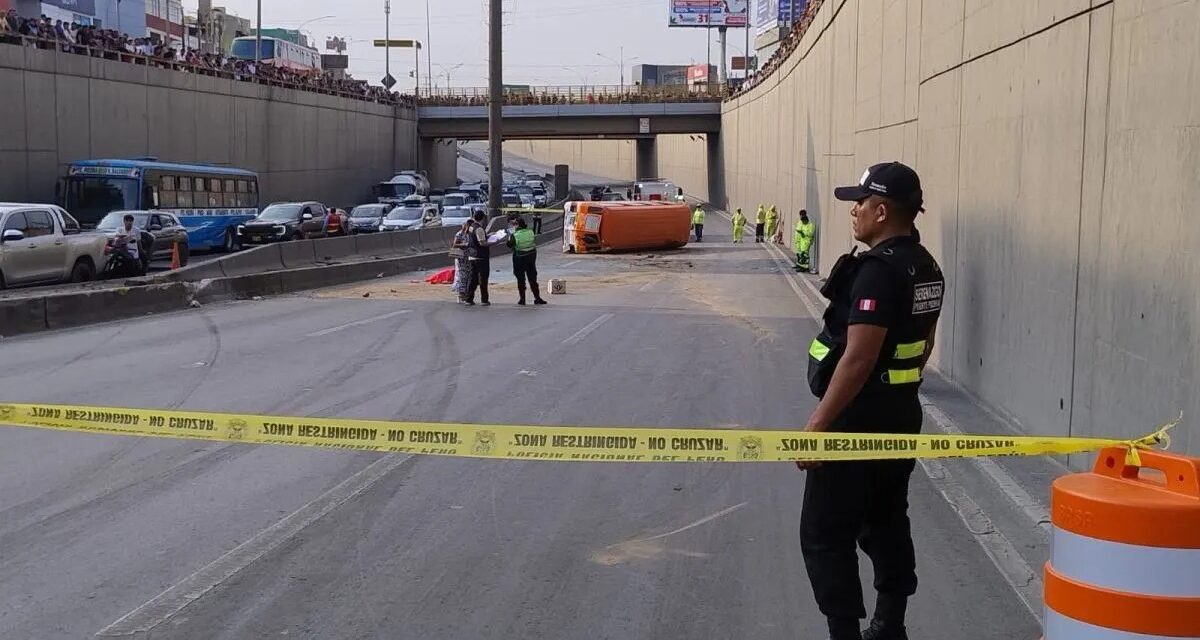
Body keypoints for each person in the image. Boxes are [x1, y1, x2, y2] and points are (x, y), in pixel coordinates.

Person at [799, 162, 944, 640]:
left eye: (859, 204)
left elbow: (857, 359)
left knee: (825, 533)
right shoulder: (925, 266)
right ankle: (889, 623)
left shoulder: (877, 274)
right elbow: (922, 347)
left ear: (881, 212)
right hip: (900, 416)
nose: (854, 212)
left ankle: (846, 632)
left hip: (855, 423)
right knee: (885, 519)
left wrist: (820, 425)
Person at [506, 216, 547, 305]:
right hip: (531, 258)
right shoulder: (530, 232)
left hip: (519, 258)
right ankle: (537, 298)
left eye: (514, 225)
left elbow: (509, 245)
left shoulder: (514, 235)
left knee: (521, 280)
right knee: (532, 279)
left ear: (517, 225)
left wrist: (510, 235)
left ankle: (522, 299)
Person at [464, 211, 494, 306]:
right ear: (483, 218)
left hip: (472, 256)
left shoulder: (471, 227)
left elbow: (476, 239)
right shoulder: (479, 229)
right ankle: (484, 300)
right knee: (483, 279)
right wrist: (494, 242)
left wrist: (488, 235)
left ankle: (469, 298)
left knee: (473, 278)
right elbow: (482, 243)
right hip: (481, 256)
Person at [451, 220, 471, 303]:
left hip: (468, 258)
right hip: (461, 258)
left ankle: (466, 294)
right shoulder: (459, 234)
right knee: (461, 276)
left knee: (467, 276)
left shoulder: (469, 234)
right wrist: (464, 244)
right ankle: (461, 294)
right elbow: (454, 244)